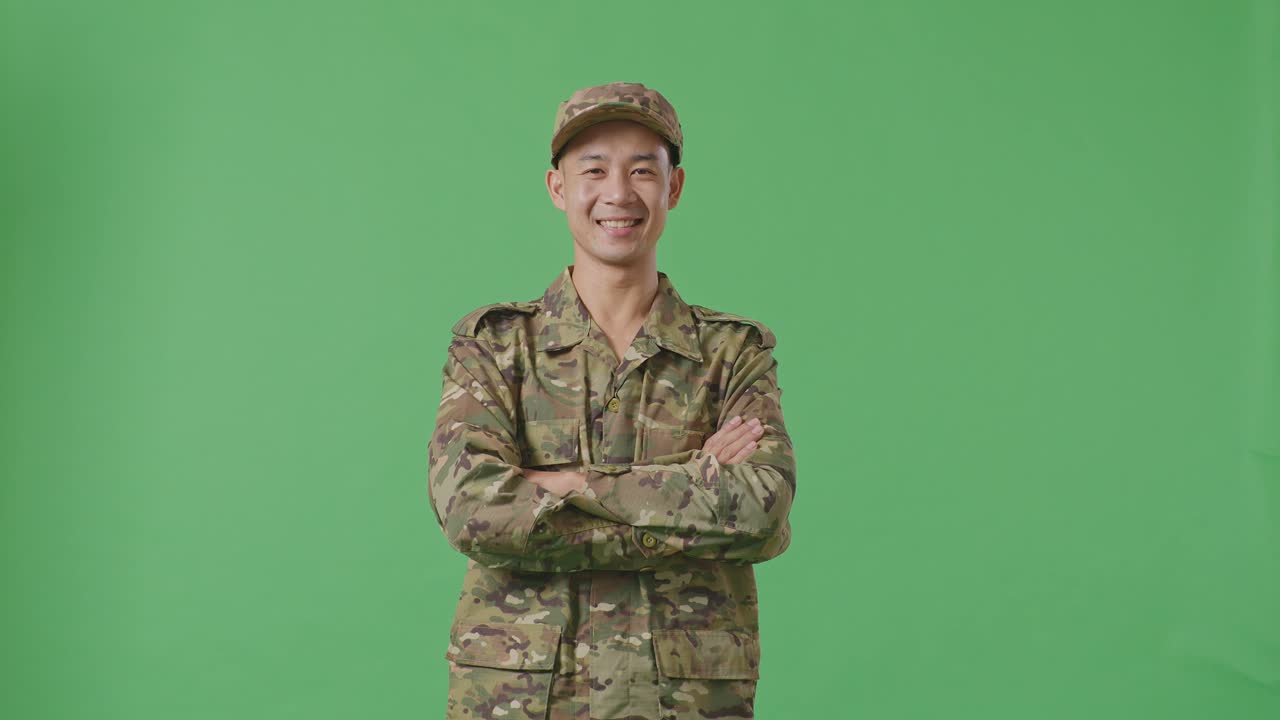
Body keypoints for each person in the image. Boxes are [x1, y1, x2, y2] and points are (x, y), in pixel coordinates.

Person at [426, 81, 797, 720]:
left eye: (641, 171)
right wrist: (688, 486)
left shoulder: (732, 353)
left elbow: (761, 508)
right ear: (558, 188)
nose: (618, 194)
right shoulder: (495, 346)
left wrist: (565, 486)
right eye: (593, 170)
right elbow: (473, 512)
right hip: (522, 695)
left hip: (682, 698)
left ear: (673, 188)